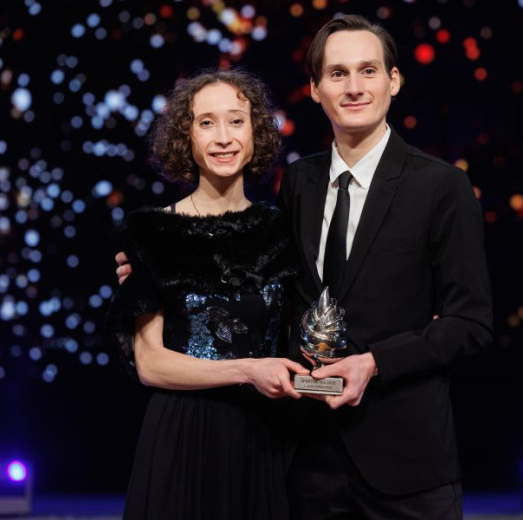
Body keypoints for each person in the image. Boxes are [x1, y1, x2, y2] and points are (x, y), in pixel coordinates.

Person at [279, 15, 494, 519]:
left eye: (368, 71)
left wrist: (373, 363)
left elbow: (471, 323)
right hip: (305, 456)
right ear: (314, 89)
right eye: (337, 74)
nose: (354, 87)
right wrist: (158, 268)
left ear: (393, 80)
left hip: (407, 464)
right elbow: (278, 291)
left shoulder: (441, 187)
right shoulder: (297, 183)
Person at [106, 69, 309, 519]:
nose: (223, 137)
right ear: (186, 137)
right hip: (183, 437)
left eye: (236, 121)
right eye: (206, 123)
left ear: (256, 133)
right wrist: (248, 370)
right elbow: (151, 364)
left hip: (263, 441)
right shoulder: (153, 230)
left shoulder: (282, 230)